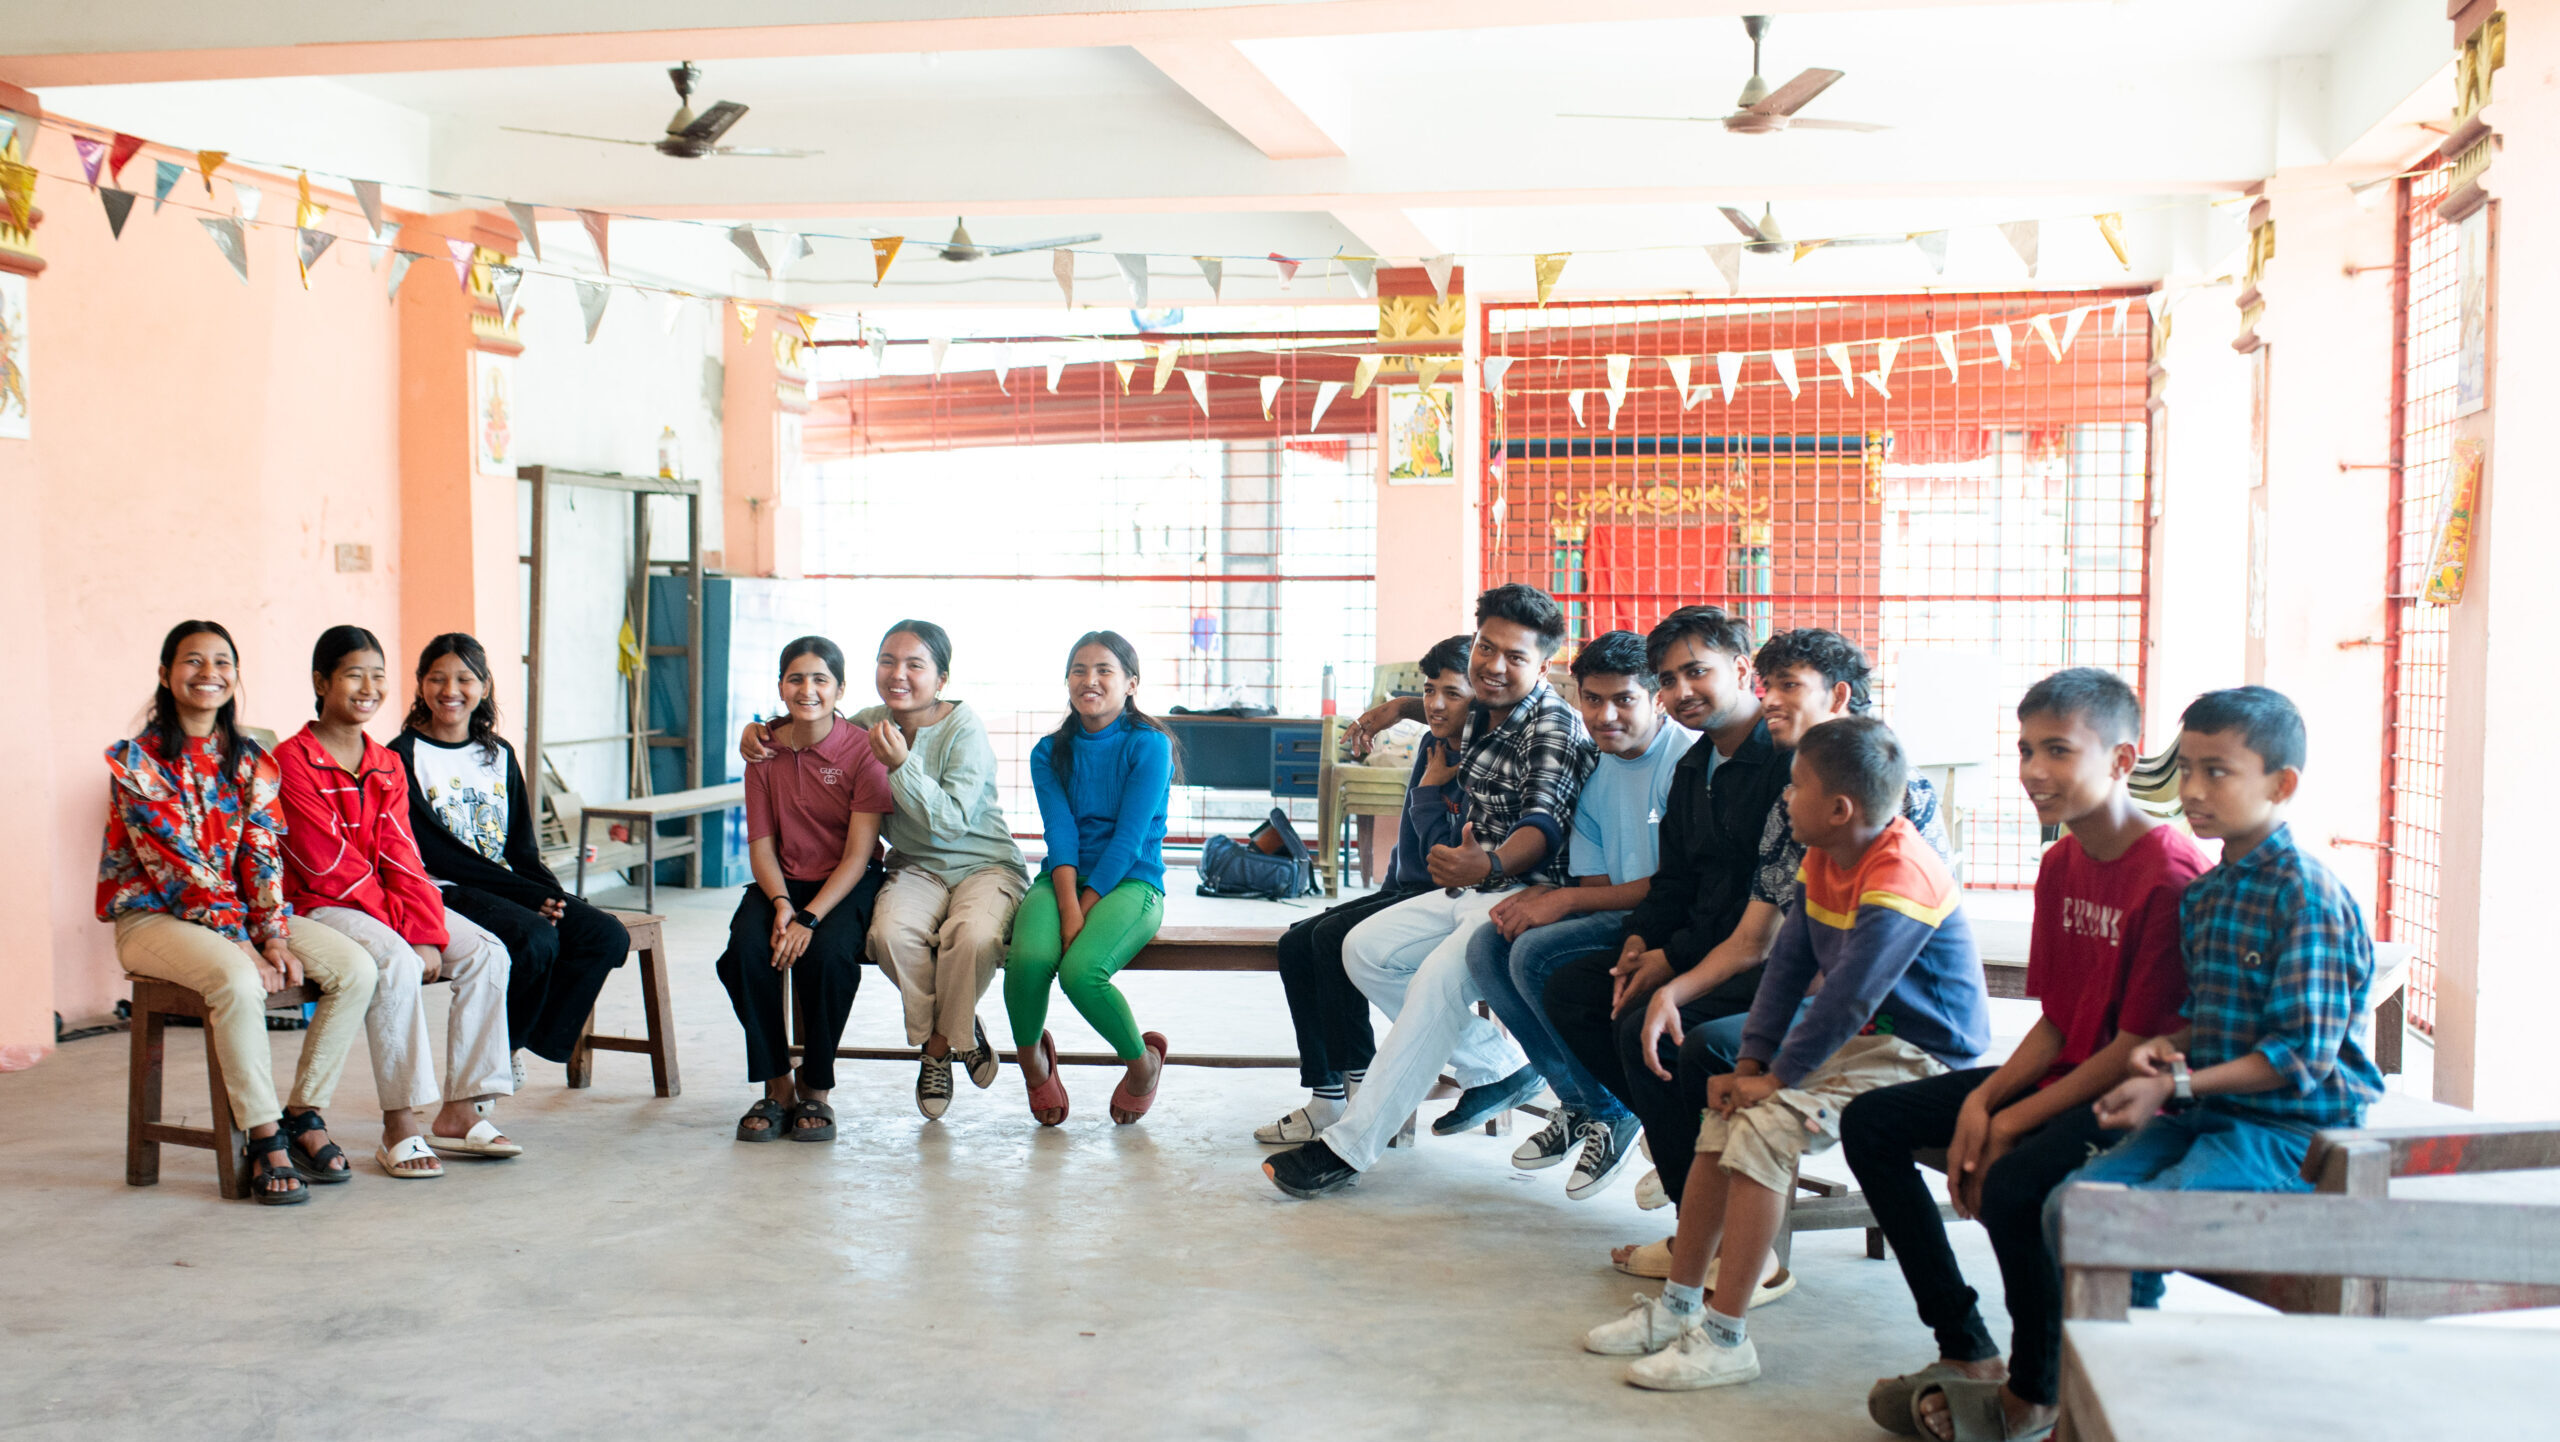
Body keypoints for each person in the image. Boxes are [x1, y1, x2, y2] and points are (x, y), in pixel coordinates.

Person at [1841, 669, 2205, 1441]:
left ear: (2120, 759)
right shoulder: (2061, 863)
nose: (2034, 770)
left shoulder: (2169, 876)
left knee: (2013, 1184)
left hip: (2139, 1096)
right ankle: (1966, 1348)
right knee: (1871, 1123)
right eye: (2025, 749)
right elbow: (2056, 1023)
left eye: (2058, 751)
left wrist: (2010, 1122)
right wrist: (1981, 1100)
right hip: (2073, 1073)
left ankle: (2036, 1391)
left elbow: (2135, 1046)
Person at [1582, 717, 1990, 1392]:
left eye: (1795, 787)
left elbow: (1847, 999)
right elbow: (1789, 970)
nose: (1785, 799)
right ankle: (1678, 1308)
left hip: (1924, 1056)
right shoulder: (1826, 854)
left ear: (1840, 808)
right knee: (1723, 1113)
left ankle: (1726, 1337)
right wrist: (1747, 1067)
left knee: (1764, 1126)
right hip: (1863, 1044)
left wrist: (1775, 1081)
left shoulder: (1902, 872)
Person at [1609, 626, 1954, 1285]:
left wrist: (1768, 1068)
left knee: (1709, 1052)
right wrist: (1671, 991)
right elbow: (1766, 939)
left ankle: (1743, 1257)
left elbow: (1851, 979)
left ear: (1840, 695)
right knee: (1658, 1028)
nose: (1769, 700)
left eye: (1789, 686)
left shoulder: (1888, 801)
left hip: (1891, 1024)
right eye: (1768, 686)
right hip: (1816, 993)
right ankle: (1696, 1233)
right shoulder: (1793, 800)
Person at [1262, 583, 1596, 1199]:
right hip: (1474, 886)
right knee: (1360, 950)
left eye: (1515, 658)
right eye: (1486, 649)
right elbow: (1437, 706)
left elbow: (1543, 827)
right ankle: (1499, 1066)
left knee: (1440, 983)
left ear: (1542, 665)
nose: (1494, 667)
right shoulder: (1485, 709)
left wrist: (1487, 861)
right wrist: (1393, 709)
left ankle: (1348, 1147)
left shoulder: (1550, 725)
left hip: (1527, 897)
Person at [2056, 687, 2382, 1312]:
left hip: (2292, 1132)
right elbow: (2214, 1021)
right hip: (2209, 1112)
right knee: (2072, 1209)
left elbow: (2296, 1059)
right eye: (2185, 768)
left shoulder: (2306, 898)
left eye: (2217, 772)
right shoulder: (2207, 895)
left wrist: (2175, 1087)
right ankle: (2094, 1382)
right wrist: (2166, 1048)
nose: (2193, 790)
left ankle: (2124, 1384)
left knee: (2139, 1225)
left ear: (2281, 785)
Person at [99, 621, 379, 1205]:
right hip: (151, 919)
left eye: (222, 662)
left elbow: (261, 850)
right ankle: (262, 1134)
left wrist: (273, 933)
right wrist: (246, 946)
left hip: (239, 918)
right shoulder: (137, 762)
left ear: (235, 674)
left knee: (356, 968)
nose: (209, 673)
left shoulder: (250, 759)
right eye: (193, 661)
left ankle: (302, 1114)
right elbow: (182, 871)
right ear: (164, 674)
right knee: (235, 978)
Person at [1538, 606, 1777, 1218]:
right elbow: (1675, 881)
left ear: (1742, 668)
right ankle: (1688, 1160)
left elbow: (1755, 910)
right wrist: (1642, 942)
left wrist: (1671, 958)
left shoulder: (1781, 760)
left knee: (1644, 1025)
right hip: (1696, 945)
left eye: (1696, 672)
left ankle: (1695, 1207)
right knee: (1576, 990)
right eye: (1669, 679)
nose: (1681, 692)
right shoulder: (1696, 766)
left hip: (1760, 958)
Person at [742, 621, 1026, 1120]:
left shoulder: (964, 728)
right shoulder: (872, 721)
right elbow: (813, 718)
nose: (899, 674)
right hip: (915, 867)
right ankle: (962, 1022)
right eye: (888, 661)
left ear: (941, 679)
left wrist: (903, 766)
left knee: (973, 937)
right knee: (887, 935)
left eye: (915, 665)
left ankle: (938, 1045)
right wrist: (760, 730)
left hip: (983, 865)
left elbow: (952, 825)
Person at [277, 626, 521, 1179]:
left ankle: (465, 1108)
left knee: (488, 951)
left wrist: (426, 927)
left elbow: (402, 855)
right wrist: (408, 932)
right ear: (322, 682)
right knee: (394, 958)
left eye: (378, 676)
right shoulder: (291, 761)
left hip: (383, 903)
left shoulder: (385, 763)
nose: (369, 687)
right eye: (353, 675)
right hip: (320, 905)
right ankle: (400, 1125)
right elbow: (327, 865)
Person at [1466, 629, 1689, 1199]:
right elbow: (1597, 882)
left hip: (1676, 922)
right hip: (1625, 913)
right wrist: (1560, 902)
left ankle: (1609, 1109)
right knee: (1490, 944)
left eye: (1623, 699)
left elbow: (1675, 887)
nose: (1605, 715)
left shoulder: (1684, 761)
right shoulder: (1599, 770)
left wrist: (1561, 902)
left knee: (1536, 952)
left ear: (1656, 697)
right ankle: (1583, 1104)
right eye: (1592, 699)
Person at [1257, 633, 1474, 1145]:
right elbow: (1440, 710)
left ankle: (1365, 1092)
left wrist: (1425, 789)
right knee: (1294, 942)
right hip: (1402, 888)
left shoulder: (1483, 759)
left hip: (1438, 898)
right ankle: (1327, 1097)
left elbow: (1441, 854)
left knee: (1329, 941)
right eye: (1428, 691)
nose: (1437, 704)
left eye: (1453, 692)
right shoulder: (1433, 742)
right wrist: (1400, 706)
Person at [391, 633, 630, 1082]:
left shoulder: (497, 754)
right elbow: (436, 853)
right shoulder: (402, 756)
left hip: (504, 886)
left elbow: (521, 845)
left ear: (484, 686)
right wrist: (525, 896)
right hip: (444, 891)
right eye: (437, 678)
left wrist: (551, 893)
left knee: (605, 936)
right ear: (421, 684)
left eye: (464, 678)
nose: (450, 690)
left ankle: (516, 1039)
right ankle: (503, 1049)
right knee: (535, 937)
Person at [720, 635, 893, 1142]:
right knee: (745, 954)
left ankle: (815, 1088)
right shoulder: (763, 750)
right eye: (796, 678)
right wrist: (779, 904)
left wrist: (809, 918)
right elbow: (761, 844)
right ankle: (778, 1087)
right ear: (780, 686)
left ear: (840, 689)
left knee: (826, 957)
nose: (808, 689)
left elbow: (859, 854)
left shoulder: (862, 752)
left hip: (846, 882)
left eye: (821, 679)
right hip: (781, 881)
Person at [1008, 630, 1175, 1127]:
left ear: (1131, 684)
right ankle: (1034, 1065)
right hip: (1062, 876)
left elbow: (1128, 839)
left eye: (1105, 670)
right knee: (1030, 960)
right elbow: (1059, 833)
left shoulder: (1149, 745)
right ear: (1067, 682)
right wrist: (1067, 906)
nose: (1090, 680)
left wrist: (1085, 904)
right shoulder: (1048, 752)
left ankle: (1142, 1065)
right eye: (1079, 670)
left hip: (1133, 881)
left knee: (1081, 974)